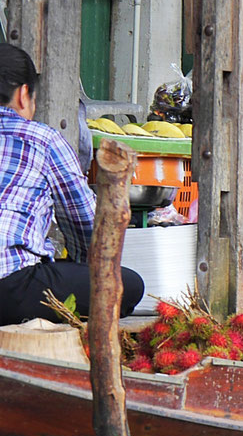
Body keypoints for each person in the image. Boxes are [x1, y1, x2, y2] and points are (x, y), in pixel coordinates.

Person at [0, 43, 144, 325]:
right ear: (23, 94)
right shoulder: (41, 139)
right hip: (9, 289)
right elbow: (87, 225)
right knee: (128, 284)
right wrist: (81, 268)